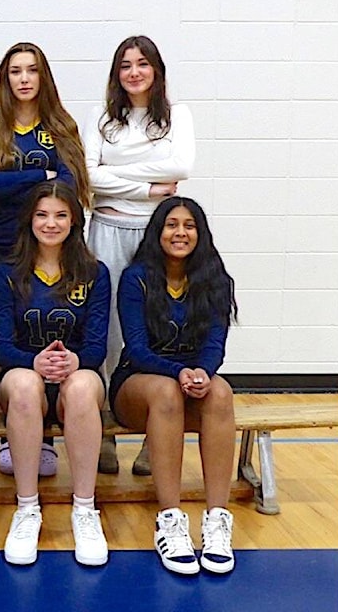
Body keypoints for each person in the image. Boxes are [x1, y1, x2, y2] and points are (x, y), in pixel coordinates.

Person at [0, 41, 92, 479]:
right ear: (5, 79)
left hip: (51, 242)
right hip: (1, 244)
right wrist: (40, 176)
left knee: (52, 321)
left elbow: (71, 182)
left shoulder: (61, 127)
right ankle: (13, 432)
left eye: (31, 70)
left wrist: (11, 179)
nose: (24, 78)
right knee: (6, 333)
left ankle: (47, 436)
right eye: (15, 71)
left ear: (43, 77)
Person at [81, 35, 195, 477]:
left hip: (155, 232)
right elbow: (88, 176)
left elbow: (181, 167)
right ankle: (105, 430)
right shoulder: (102, 116)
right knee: (105, 329)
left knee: (162, 327)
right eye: (125, 65)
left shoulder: (177, 115)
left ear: (156, 70)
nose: (134, 72)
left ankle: (154, 435)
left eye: (142, 64)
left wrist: (116, 175)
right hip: (107, 227)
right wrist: (147, 187)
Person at [110, 196, 238, 575]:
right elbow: (136, 347)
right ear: (157, 231)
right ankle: (169, 520)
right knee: (166, 392)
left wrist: (202, 371)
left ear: (200, 234)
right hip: (140, 384)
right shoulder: (137, 278)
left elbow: (215, 343)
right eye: (171, 224)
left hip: (191, 382)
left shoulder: (216, 279)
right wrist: (177, 372)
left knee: (221, 391)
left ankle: (217, 520)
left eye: (189, 225)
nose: (180, 232)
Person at [0, 180, 110, 567]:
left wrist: (75, 361)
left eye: (60, 215)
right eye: (42, 215)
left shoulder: (94, 272)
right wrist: (33, 363)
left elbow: (96, 347)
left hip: (75, 374)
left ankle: (85, 509)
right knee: (24, 384)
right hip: (24, 377)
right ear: (29, 220)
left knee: (80, 387)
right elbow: (2, 346)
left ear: (75, 221)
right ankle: (27, 509)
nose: (51, 224)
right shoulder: (8, 272)